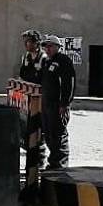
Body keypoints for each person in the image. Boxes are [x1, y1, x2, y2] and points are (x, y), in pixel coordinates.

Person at [40, 35, 75, 169]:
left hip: (58, 105)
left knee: (58, 133)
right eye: (45, 46)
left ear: (57, 47)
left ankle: (60, 164)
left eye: (50, 46)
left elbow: (69, 83)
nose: (47, 49)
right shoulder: (46, 62)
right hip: (46, 104)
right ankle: (53, 162)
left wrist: (65, 104)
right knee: (48, 134)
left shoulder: (63, 61)